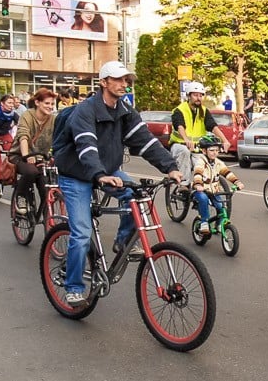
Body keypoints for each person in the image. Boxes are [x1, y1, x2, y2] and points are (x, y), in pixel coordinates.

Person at [53, 61, 182, 307]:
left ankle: (123, 242)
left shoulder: (124, 111)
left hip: (107, 171)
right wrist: (99, 175)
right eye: (119, 79)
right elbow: (86, 146)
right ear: (104, 82)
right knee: (81, 234)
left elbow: (146, 142)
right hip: (76, 174)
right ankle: (73, 287)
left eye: (127, 80)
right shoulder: (85, 111)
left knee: (135, 194)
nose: (124, 84)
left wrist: (171, 167)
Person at [169, 81, 230, 190]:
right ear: (189, 96)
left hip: (197, 149)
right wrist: (186, 139)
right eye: (195, 95)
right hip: (179, 145)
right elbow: (180, 126)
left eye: (201, 95)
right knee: (185, 152)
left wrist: (225, 140)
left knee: (204, 164)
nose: (198, 98)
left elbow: (213, 126)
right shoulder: (179, 110)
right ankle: (183, 185)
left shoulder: (204, 111)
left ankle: (205, 188)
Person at [8, 88, 56, 215]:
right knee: (31, 171)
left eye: (52, 104)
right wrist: (26, 156)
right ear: (37, 102)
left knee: (47, 188)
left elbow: (59, 137)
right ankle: (21, 196)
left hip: (40, 158)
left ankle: (49, 223)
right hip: (19, 155)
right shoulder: (27, 115)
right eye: (47, 103)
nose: (50, 107)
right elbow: (23, 136)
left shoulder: (53, 119)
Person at [192, 134, 244, 234]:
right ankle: (204, 222)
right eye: (211, 150)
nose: (215, 153)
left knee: (220, 206)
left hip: (214, 191)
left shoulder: (218, 163)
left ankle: (220, 224)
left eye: (216, 150)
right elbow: (198, 173)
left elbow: (227, 173)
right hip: (201, 190)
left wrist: (237, 182)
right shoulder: (201, 162)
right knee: (203, 199)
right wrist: (198, 185)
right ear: (204, 151)